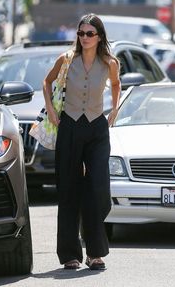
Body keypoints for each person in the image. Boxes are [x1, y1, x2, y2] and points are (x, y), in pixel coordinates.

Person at [43, 13, 121, 270]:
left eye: (89, 33)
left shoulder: (110, 62)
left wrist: (114, 109)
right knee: (68, 190)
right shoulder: (66, 60)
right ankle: (70, 254)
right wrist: (52, 111)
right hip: (70, 125)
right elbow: (47, 81)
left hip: (97, 127)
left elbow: (116, 85)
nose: (84, 38)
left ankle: (95, 250)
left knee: (99, 191)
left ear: (99, 37)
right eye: (81, 33)